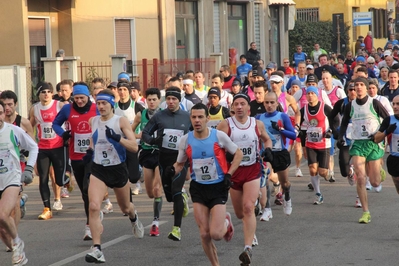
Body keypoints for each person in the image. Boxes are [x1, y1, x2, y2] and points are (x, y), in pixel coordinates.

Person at [170, 103, 242, 266]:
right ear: (190, 118)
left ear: (207, 119)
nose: (197, 120)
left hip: (218, 187)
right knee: (204, 234)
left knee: (216, 234)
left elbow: (238, 154)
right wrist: (171, 171)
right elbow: (180, 164)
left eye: (200, 117)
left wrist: (229, 174)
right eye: (194, 117)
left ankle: (225, 222)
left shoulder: (218, 136)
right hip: (198, 188)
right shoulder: (185, 140)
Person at [84, 89, 144, 263]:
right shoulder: (92, 120)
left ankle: (134, 217)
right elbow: (93, 141)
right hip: (99, 169)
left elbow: (134, 147)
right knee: (94, 206)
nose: (101, 106)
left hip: (118, 169)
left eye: (104, 103)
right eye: (98, 103)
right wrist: (89, 151)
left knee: (125, 208)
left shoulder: (121, 121)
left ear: (112, 104)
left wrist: (118, 138)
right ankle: (97, 249)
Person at [217, 93, 273, 266]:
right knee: (240, 213)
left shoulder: (257, 124)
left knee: (248, 207)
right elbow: (215, 145)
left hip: (252, 170)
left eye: (243, 104)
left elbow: (267, 139)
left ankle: (247, 248)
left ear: (249, 107)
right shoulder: (225, 125)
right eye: (236, 104)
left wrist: (268, 150)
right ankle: (230, 221)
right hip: (234, 172)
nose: (239, 107)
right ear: (232, 107)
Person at [141, 86, 192, 241]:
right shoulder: (159, 116)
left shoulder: (187, 117)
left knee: (176, 190)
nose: (171, 101)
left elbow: (198, 134)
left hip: (180, 160)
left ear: (179, 100)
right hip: (163, 159)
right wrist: (152, 141)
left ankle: (176, 229)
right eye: (168, 98)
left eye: (174, 99)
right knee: (169, 195)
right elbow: (145, 133)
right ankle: (181, 197)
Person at [338, 77, 389, 224]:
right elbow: (344, 123)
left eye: (361, 85)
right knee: (360, 178)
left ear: (366, 88)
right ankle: (365, 212)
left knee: (374, 182)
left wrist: (380, 133)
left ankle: (379, 170)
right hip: (358, 143)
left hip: (373, 143)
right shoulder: (350, 105)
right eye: (356, 86)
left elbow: (387, 120)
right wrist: (341, 137)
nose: (358, 88)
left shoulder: (374, 103)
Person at [52, 82, 99, 240]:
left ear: (88, 97)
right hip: (76, 155)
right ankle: (91, 220)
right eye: (76, 98)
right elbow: (55, 124)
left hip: (93, 155)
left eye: (82, 98)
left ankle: (90, 225)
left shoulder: (96, 108)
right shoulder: (67, 109)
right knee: (85, 193)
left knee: (88, 188)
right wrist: (63, 134)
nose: (79, 101)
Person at [0, 100, 38, 266]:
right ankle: (16, 246)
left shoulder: (13, 130)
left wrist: (29, 169)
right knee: (2, 228)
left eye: (0, 113)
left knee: (2, 214)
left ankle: (16, 244)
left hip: (11, 178)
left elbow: (33, 147)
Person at [29, 81, 68, 219]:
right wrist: (32, 143)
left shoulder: (60, 105)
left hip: (58, 147)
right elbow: (29, 127)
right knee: (43, 178)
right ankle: (47, 208)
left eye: (49, 92)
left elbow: (70, 121)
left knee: (60, 179)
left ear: (52, 93)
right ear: (38, 94)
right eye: (43, 92)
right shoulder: (35, 109)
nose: (46, 94)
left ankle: (66, 179)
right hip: (43, 148)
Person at [256, 92, 297, 215]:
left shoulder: (282, 116)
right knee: (266, 178)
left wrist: (281, 129)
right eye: (267, 102)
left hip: (280, 152)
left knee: (285, 183)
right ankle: (267, 208)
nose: (269, 105)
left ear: (277, 103)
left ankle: (287, 196)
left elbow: (294, 135)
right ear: (263, 103)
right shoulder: (259, 118)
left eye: (272, 102)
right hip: (266, 153)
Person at [131, 88, 164, 236]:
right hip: (146, 153)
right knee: (151, 193)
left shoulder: (165, 115)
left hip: (161, 153)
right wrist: (141, 135)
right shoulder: (141, 115)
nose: (151, 102)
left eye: (154, 99)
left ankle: (155, 222)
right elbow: (130, 131)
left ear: (159, 100)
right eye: (149, 100)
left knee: (157, 189)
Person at [300, 86, 339, 204]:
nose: (310, 95)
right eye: (308, 93)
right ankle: (318, 194)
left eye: (313, 93)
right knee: (312, 169)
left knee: (322, 172)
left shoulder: (325, 107)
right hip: (310, 143)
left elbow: (336, 120)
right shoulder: (303, 110)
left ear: (317, 95)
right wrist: (303, 146)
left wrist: (330, 131)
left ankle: (328, 174)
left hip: (324, 144)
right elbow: (301, 129)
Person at [373, 95, 399, 196]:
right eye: (394, 104)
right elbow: (376, 139)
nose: (395, 106)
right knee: (396, 181)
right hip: (394, 158)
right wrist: (386, 132)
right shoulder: (389, 120)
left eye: (398, 104)